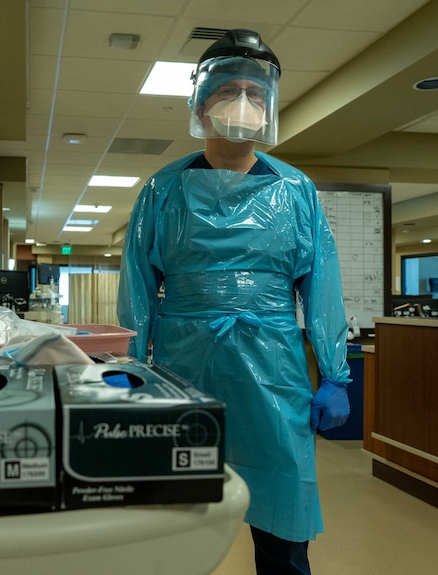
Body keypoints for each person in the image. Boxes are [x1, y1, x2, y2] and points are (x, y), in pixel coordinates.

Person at [117, 29, 351, 575]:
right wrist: (131, 370)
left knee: (282, 517)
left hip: (273, 369)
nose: (243, 102)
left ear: (269, 108)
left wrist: (335, 373)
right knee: (176, 517)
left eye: (256, 91)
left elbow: (320, 283)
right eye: (228, 89)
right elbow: (136, 286)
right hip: (182, 365)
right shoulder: (163, 190)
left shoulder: (295, 191)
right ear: (201, 103)